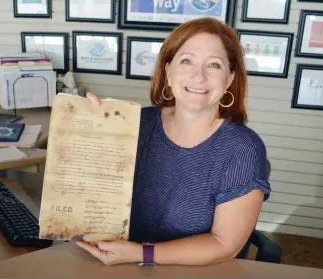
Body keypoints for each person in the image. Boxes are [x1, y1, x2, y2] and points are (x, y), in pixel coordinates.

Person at [76, 17, 271, 266]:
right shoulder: (135, 124)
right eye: (186, 61)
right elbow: (93, 193)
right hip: (116, 265)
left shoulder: (242, 148)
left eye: (214, 65)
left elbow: (224, 245)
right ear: (168, 72)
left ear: (230, 79)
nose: (198, 76)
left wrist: (141, 254)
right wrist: (85, 131)